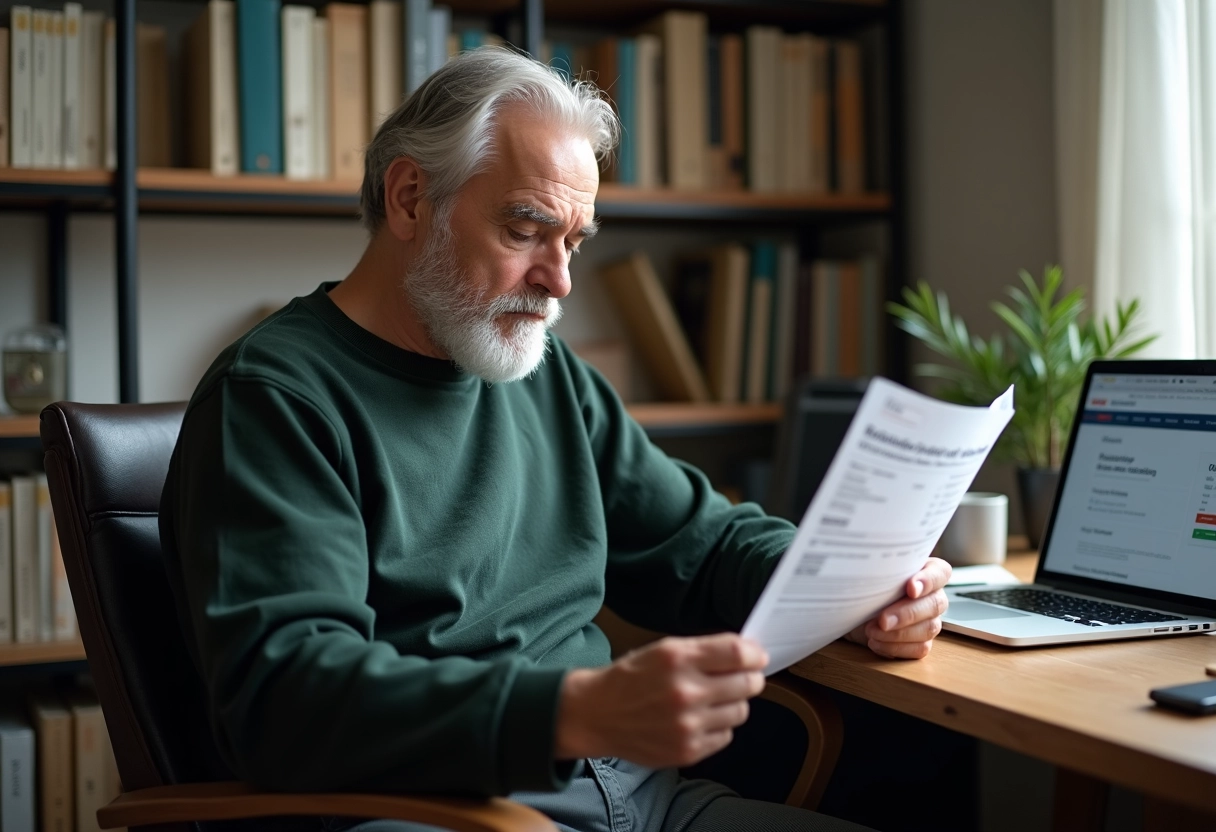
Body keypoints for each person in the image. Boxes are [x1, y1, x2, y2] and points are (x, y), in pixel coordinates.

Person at [160, 48, 951, 832]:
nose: (560, 280)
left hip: (643, 797)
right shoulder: (275, 398)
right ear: (410, 199)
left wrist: (853, 586)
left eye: (573, 242)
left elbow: (699, 544)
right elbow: (289, 701)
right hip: (439, 812)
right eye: (525, 230)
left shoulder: (544, 373)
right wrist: (571, 711)